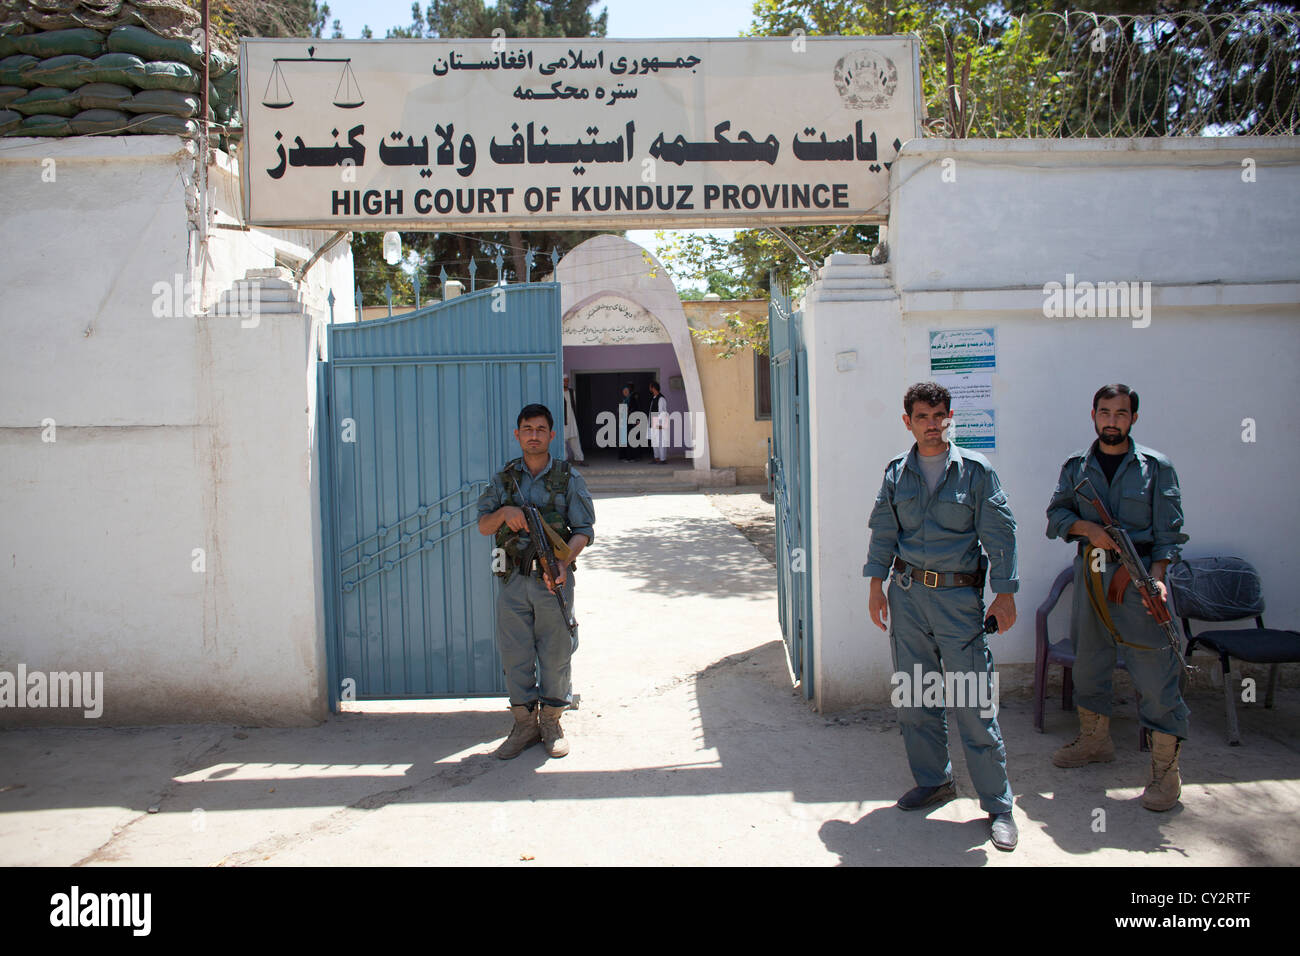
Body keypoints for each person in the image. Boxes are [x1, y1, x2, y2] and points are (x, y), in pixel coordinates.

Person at [864, 381, 1021, 851]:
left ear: (950, 416)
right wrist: (876, 585)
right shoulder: (897, 473)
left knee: (973, 702)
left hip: (958, 602)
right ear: (907, 421)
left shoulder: (975, 471)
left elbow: (1001, 533)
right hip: (908, 595)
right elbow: (882, 530)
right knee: (914, 696)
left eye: (939, 416)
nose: (932, 425)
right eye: (922, 417)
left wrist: (1005, 593)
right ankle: (935, 780)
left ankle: (998, 804)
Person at [1045, 384, 1188, 811]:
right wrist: (1089, 530)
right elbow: (1056, 516)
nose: (1112, 420)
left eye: (1121, 413)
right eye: (1104, 412)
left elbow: (1169, 534)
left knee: (1155, 669)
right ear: (1093, 415)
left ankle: (1166, 772)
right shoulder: (1076, 467)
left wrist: (1156, 577)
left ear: (1133, 419)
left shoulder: (1156, 468)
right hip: (1089, 573)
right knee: (1090, 658)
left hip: (1138, 577)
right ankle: (1095, 741)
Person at [477, 403, 596, 759]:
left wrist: (564, 561)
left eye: (540, 429)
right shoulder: (504, 479)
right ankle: (524, 724)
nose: (533, 435)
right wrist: (504, 513)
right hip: (513, 580)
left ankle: (551, 723)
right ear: (518, 434)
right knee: (515, 654)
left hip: (553, 580)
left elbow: (584, 530)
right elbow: (484, 525)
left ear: (551, 435)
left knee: (556, 653)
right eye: (527, 429)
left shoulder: (568, 477)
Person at [562, 374, 585, 463]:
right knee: (562, 442)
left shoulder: (572, 392)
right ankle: (564, 460)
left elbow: (574, 405)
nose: (566, 382)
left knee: (575, 440)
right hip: (562, 421)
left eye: (567, 380)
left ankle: (580, 459)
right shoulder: (558, 392)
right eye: (564, 380)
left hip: (572, 420)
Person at [648, 380, 669, 464]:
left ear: (653, 388)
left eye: (650, 387)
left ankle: (662, 459)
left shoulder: (661, 399)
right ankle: (656, 458)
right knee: (655, 442)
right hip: (653, 421)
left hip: (659, 423)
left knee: (661, 441)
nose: (649, 388)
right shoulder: (654, 398)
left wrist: (661, 425)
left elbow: (663, 412)